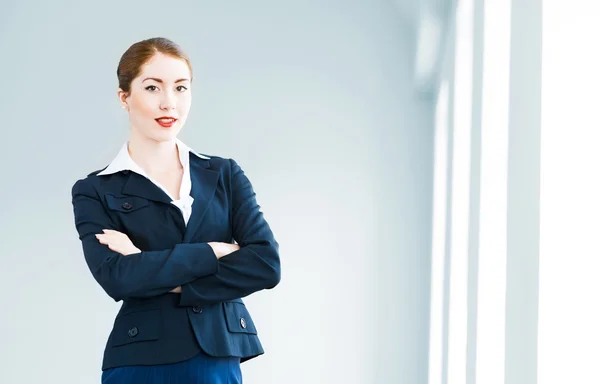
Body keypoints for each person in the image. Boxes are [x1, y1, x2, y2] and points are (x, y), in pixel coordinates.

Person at [70, 37, 281, 384]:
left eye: (181, 88)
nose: (169, 102)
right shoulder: (95, 189)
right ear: (125, 97)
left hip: (216, 352)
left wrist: (154, 269)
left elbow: (265, 265)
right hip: (140, 358)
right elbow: (118, 277)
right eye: (153, 87)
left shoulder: (224, 173)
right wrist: (214, 251)